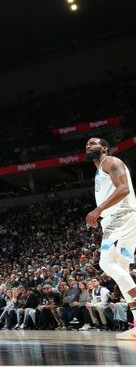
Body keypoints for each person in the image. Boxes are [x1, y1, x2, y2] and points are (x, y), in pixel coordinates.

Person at [84, 137, 136, 339]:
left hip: (122, 216)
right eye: (87, 144)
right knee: (120, 271)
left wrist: (98, 210)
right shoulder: (99, 170)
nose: (88, 146)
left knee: (106, 263)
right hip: (116, 219)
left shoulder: (111, 161)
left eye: (93, 143)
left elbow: (124, 189)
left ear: (104, 148)